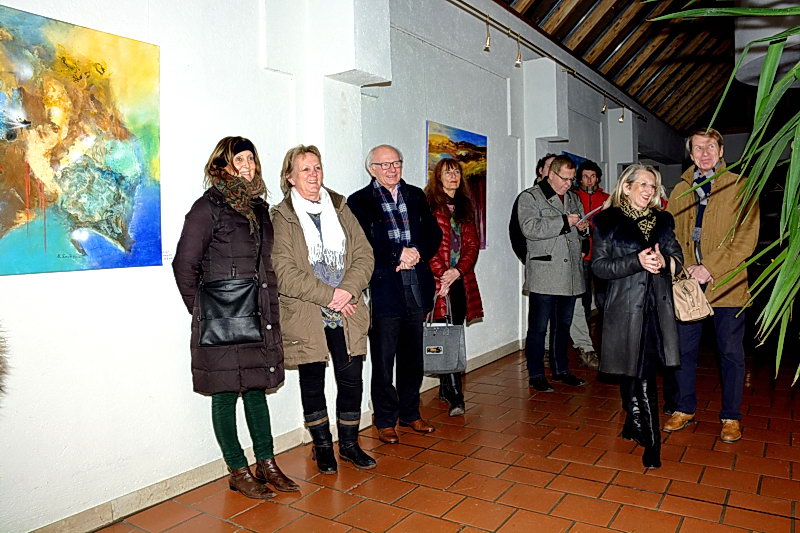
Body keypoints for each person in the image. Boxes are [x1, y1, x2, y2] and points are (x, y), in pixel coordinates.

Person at [173, 136, 298, 499]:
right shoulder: (207, 208)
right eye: (238, 160)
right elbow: (184, 265)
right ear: (222, 166)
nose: (247, 166)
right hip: (222, 318)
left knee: (256, 388)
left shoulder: (259, 209)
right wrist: (205, 311)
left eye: (250, 159)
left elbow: (265, 265)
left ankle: (266, 463)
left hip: (256, 313)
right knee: (225, 393)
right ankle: (237, 470)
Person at [271, 145, 376, 474]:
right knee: (312, 381)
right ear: (290, 177)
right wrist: (330, 295)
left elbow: (365, 255)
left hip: (348, 310)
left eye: (317, 167)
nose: (313, 174)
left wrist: (347, 291)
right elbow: (284, 272)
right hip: (307, 313)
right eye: (305, 169)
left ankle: (349, 445)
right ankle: (322, 447)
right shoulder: (282, 216)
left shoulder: (340, 207)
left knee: (351, 379)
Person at [664, 128, 759, 443]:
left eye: (709, 147)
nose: (704, 153)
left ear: (721, 150)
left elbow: (746, 240)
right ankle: (684, 408)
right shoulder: (680, 189)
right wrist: (683, 268)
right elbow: (669, 235)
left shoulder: (740, 185)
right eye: (697, 148)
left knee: (730, 352)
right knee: (684, 350)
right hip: (688, 285)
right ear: (690, 154)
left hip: (727, 284)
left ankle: (731, 417)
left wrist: (710, 268)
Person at [348, 144, 442, 444]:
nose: (392, 169)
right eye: (385, 164)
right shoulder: (358, 201)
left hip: (416, 284)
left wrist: (416, 253)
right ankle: (386, 420)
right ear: (371, 169)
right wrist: (396, 254)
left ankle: (411, 413)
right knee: (384, 359)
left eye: (396, 163)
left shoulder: (415, 195)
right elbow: (363, 242)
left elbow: (434, 234)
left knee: (413, 357)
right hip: (384, 288)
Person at [592, 164, 683, 468]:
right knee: (631, 368)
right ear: (627, 187)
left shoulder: (663, 220)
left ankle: (650, 440)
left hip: (657, 308)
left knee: (643, 370)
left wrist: (664, 260)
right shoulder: (607, 221)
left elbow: (678, 258)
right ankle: (637, 423)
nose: (648, 190)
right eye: (643, 184)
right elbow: (599, 267)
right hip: (624, 308)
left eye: (653, 186)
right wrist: (636, 261)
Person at [517, 155, 588, 391]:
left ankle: (561, 370)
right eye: (565, 179)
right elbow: (530, 228)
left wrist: (583, 229)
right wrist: (564, 221)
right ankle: (536, 374)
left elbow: (579, 232)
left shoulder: (573, 198)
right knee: (539, 328)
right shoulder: (530, 197)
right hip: (545, 273)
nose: (569, 184)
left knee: (563, 326)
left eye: (572, 179)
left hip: (570, 273)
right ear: (551, 174)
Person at [424, 158, 484, 416]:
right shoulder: (428, 205)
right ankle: (455, 393)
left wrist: (457, 271)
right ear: (438, 177)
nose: (453, 176)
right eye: (448, 172)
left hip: (460, 280)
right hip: (436, 281)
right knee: (442, 332)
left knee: (454, 332)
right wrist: (443, 275)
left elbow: (472, 245)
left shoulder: (465, 207)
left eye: (457, 172)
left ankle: (447, 386)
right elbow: (428, 246)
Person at [571, 159, 610, 369]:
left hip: (602, 256)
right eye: (585, 176)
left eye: (593, 176)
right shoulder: (573, 197)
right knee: (583, 301)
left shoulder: (606, 199)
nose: (589, 180)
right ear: (579, 178)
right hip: (581, 257)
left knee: (605, 300)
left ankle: (606, 343)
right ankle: (584, 345)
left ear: (598, 178)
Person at [510, 153, 557, 262]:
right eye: (550, 166)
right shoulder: (528, 197)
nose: (553, 171)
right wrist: (530, 258)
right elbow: (516, 232)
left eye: (556, 168)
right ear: (541, 170)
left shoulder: (566, 197)